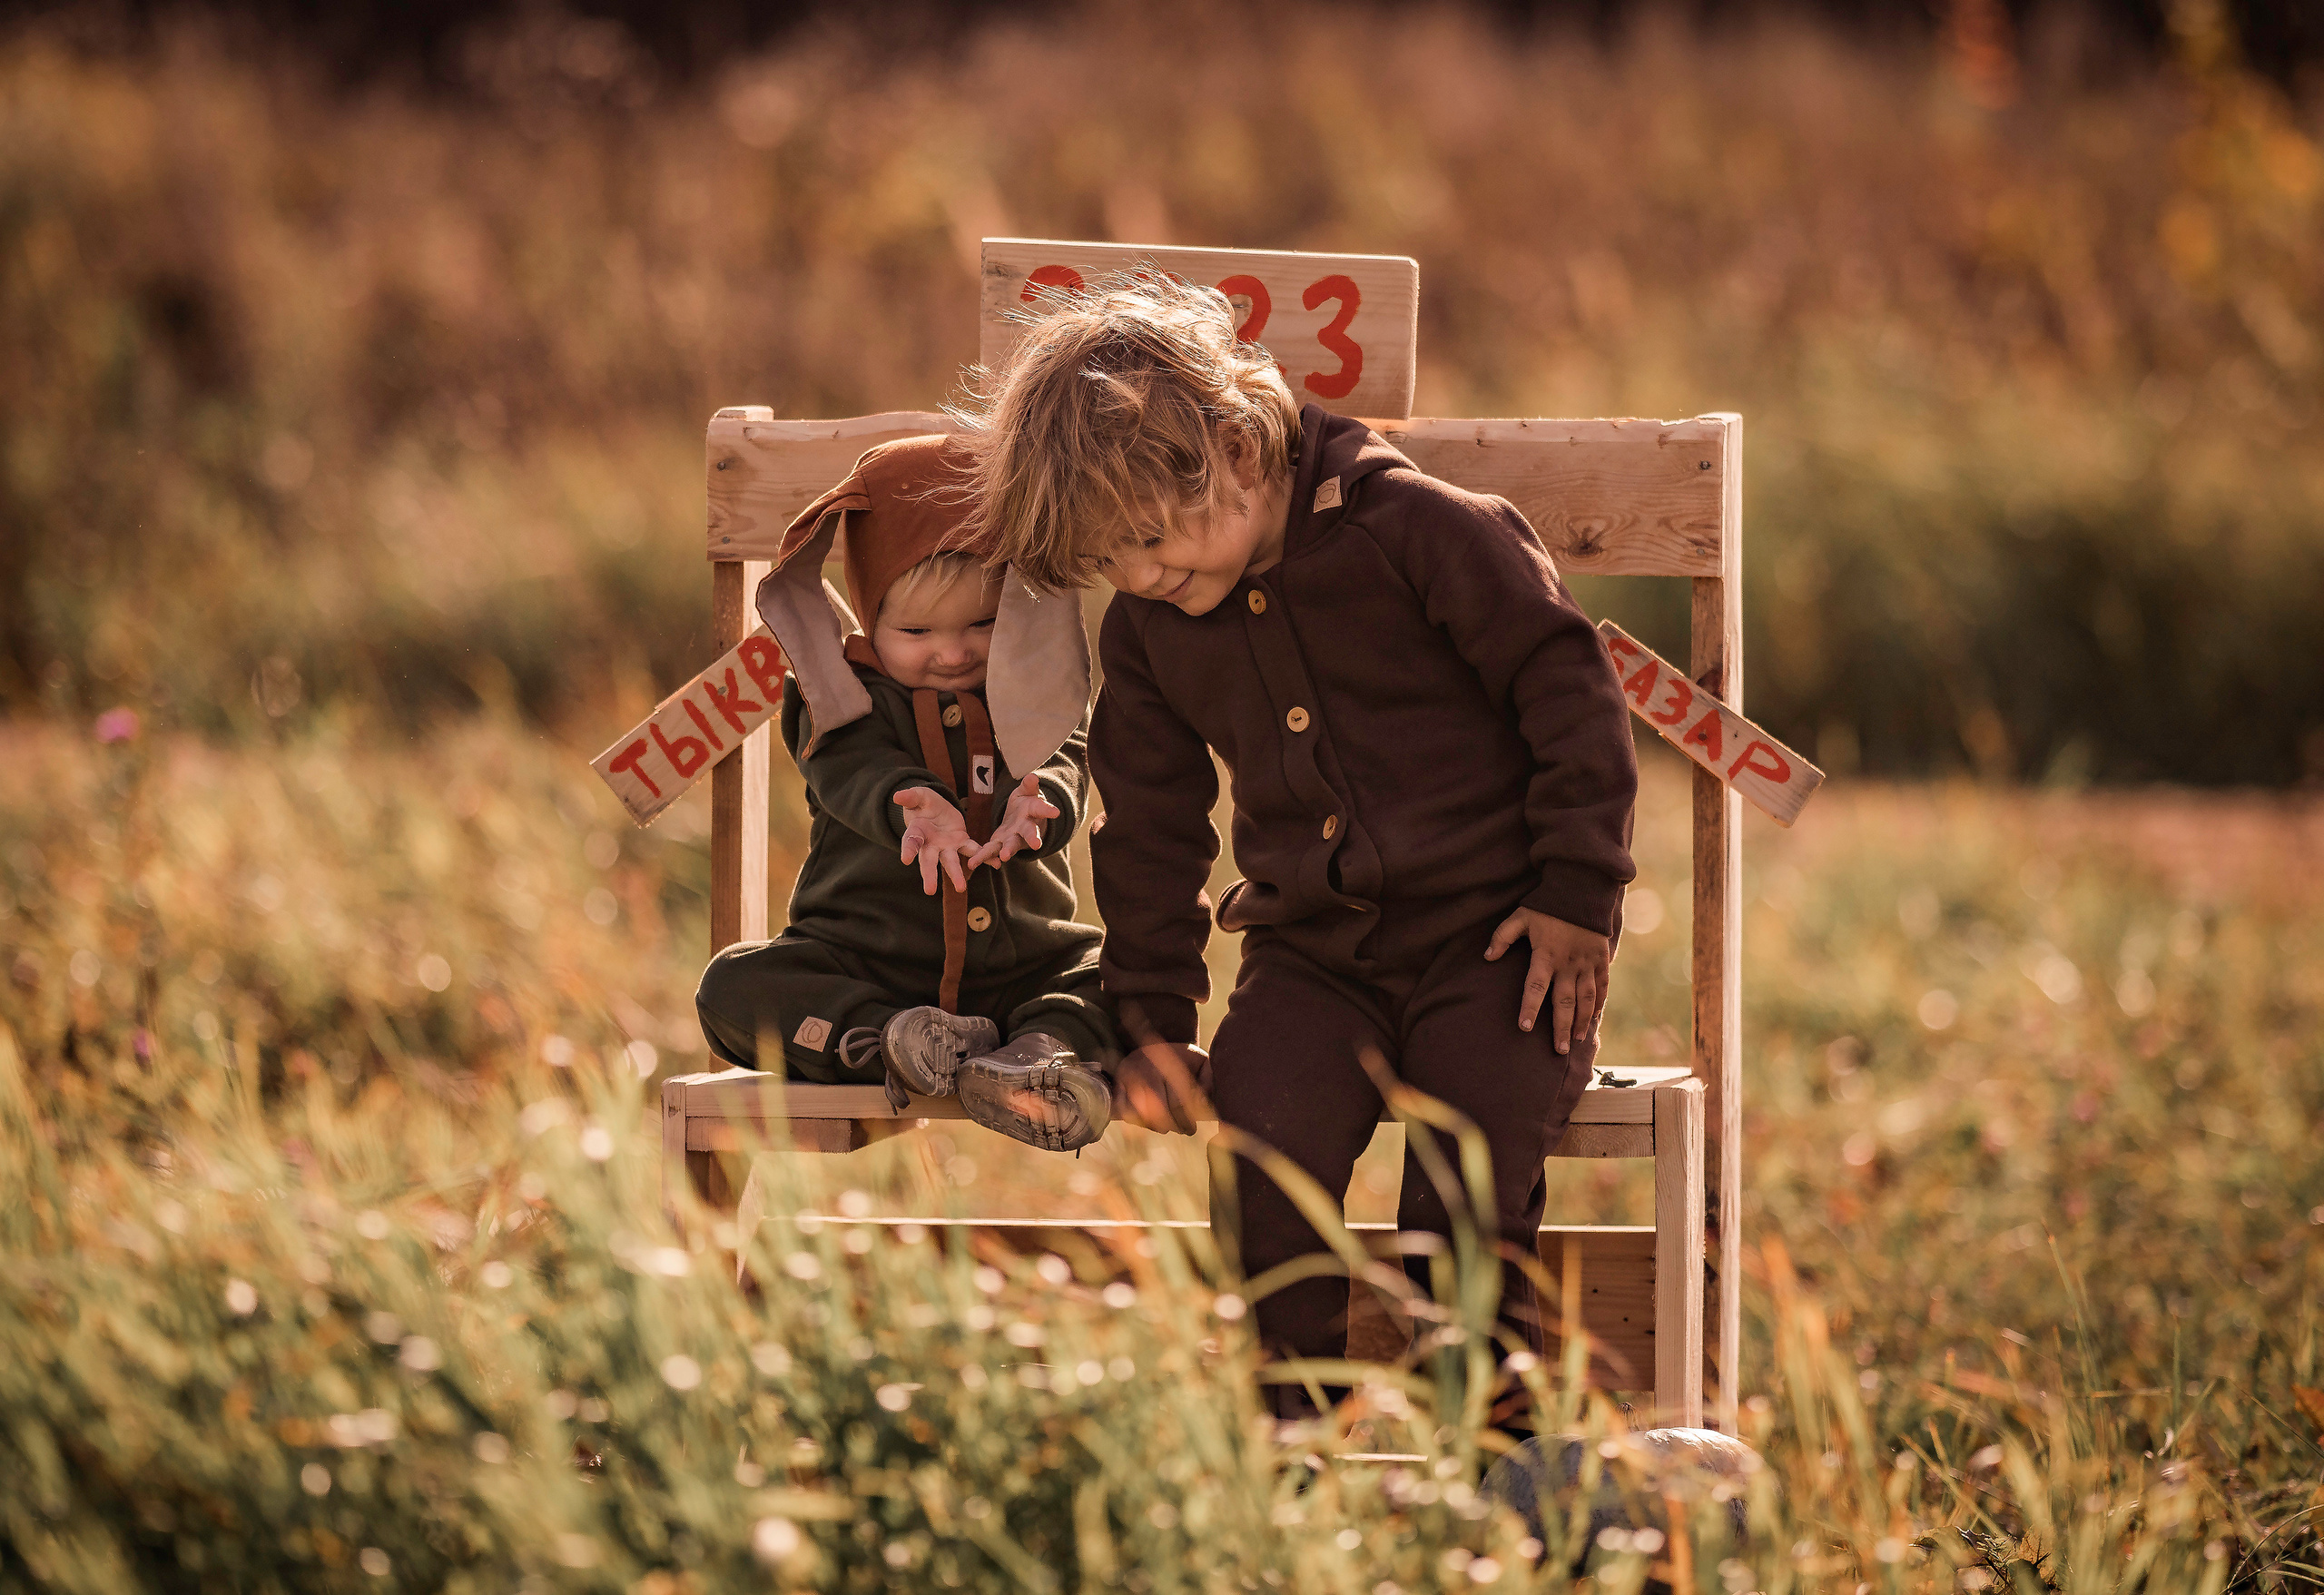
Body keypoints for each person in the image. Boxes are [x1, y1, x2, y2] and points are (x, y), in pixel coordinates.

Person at [958, 272, 1639, 1408]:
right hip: (1314, 963)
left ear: (1231, 446)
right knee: (1264, 1182)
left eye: (1142, 538)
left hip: (1500, 951)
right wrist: (1156, 1022)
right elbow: (1153, 825)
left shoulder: (1418, 530)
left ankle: (1505, 1481)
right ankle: (1295, 1470)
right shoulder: (1152, 629)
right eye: (1105, 562)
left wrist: (1578, 893)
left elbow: (1567, 686)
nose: (1133, 578)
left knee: (1461, 1213)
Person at [694, 435, 1115, 1152]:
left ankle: (1036, 1055)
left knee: (1129, 972)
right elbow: (850, 766)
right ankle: (881, 1040)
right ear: (870, 619)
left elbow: (1065, 754)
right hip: (867, 966)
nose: (952, 652)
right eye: (917, 630)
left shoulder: (1037, 688)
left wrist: (1040, 799)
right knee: (730, 989)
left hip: (1022, 971)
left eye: (981, 623)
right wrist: (908, 800)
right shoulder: (837, 696)